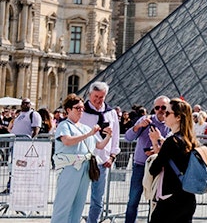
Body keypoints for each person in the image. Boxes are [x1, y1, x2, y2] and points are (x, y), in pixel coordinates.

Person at [51, 94, 113, 223]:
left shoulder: (85, 127)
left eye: (82, 108)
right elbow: (67, 141)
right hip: (69, 167)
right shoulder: (64, 125)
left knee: (79, 203)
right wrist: (88, 134)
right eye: (77, 108)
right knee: (64, 202)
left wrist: (108, 136)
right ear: (68, 110)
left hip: (84, 167)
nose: (81, 110)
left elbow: (99, 145)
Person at [147, 99, 198, 222]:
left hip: (170, 199)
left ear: (178, 117)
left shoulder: (172, 142)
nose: (164, 115)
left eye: (168, 113)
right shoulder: (190, 140)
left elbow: (154, 169)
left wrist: (155, 143)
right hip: (188, 197)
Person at [124, 96, 171, 223]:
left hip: (159, 167)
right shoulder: (145, 120)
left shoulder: (171, 124)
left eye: (163, 107)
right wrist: (138, 126)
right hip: (140, 165)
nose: (160, 110)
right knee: (133, 200)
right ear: (154, 108)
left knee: (155, 201)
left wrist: (158, 143)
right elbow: (128, 137)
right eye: (157, 107)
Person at [80, 81, 120, 223]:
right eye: (95, 96)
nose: (98, 100)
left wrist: (112, 156)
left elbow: (115, 136)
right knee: (78, 196)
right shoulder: (81, 112)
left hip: (103, 161)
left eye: (101, 97)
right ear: (90, 94)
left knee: (98, 200)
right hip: (83, 160)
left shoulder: (111, 113)